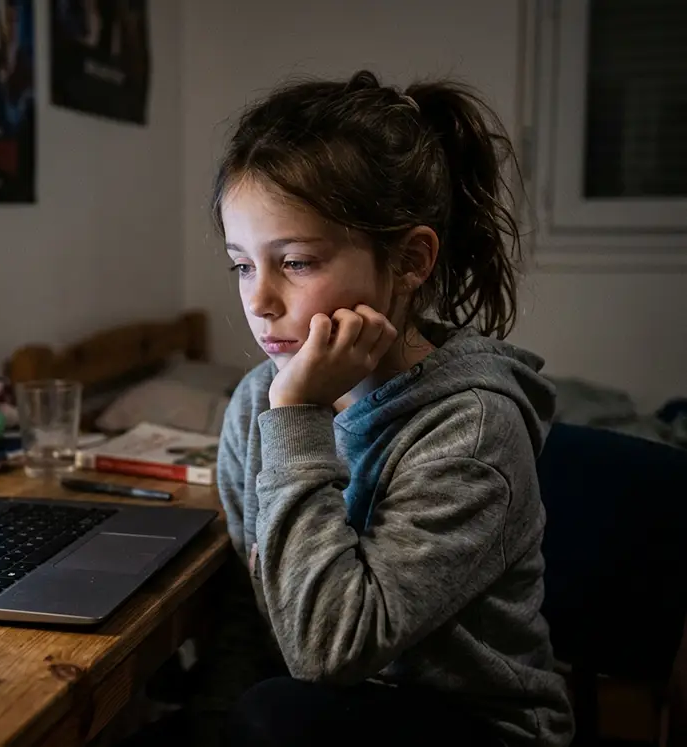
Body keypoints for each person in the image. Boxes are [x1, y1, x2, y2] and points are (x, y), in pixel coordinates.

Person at [210, 70, 574, 746]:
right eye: (241, 265)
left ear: (410, 259)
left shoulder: (472, 428)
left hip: (479, 724)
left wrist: (300, 419)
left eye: (293, 262)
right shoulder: (259, 401)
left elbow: (328, 649)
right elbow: (260, 606)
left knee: (276, 718)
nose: (259, 301)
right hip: (328, 710)